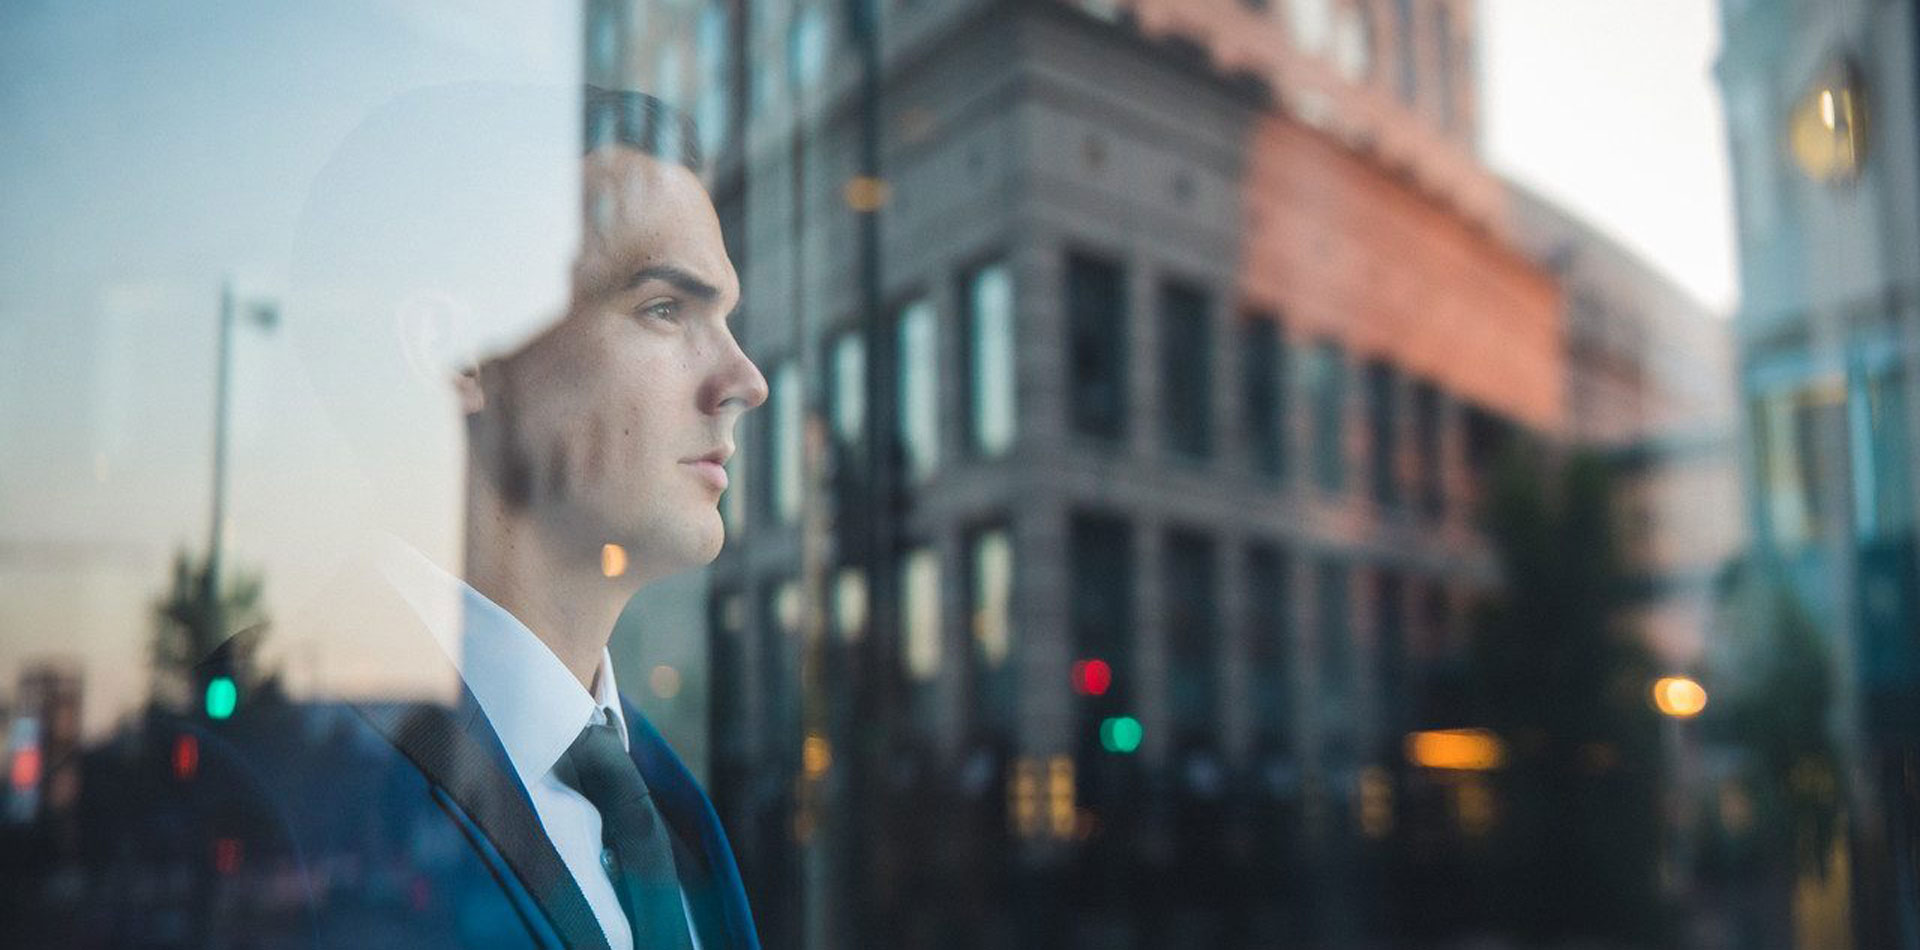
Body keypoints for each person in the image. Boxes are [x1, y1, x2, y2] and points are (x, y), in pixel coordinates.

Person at [30, 87, 766, 950]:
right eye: (665, 309)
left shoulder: (676, 816)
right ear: (460, 354)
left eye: (724, 318)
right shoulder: (258, 792)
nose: (745, 380)